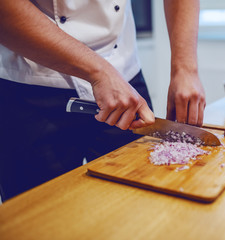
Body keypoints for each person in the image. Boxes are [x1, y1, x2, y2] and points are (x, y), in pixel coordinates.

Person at [0, 0, 205, 202]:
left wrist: (185, 68)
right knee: (38, 217)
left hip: (124, 75)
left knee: (141, 202)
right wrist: (100, 72)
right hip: (32, 81)